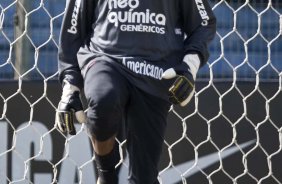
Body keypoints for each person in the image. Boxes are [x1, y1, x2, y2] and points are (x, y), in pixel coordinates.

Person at [55, 0, 216, 183]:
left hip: (156, 70)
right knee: (103, 101)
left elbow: (204, 22)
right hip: (106, 59)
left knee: (144, 178)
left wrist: (190, 66)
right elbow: (72, 30)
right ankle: (106, 175)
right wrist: (70, 88)